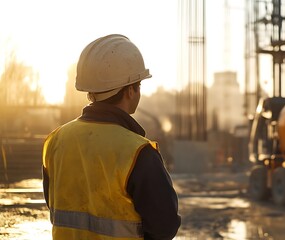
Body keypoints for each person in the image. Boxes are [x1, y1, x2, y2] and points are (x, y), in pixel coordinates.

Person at [42, 34, 181, 240]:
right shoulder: (138, 153)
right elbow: (164, 226)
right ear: (130, 91)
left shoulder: (55, 140)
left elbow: (53, 202)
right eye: (139, 85)